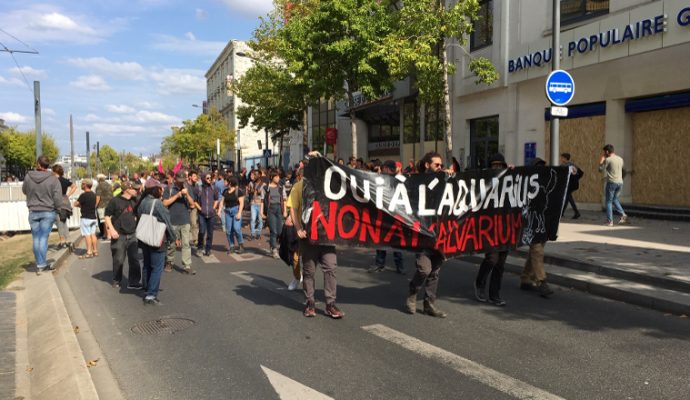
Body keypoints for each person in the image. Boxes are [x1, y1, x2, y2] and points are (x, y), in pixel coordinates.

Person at [290, 154, 344, 319]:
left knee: (330, 268)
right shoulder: (299, 186)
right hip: (308, 238)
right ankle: (310, 303)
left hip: (327, 237)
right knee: (309, 271)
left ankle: (330, 304)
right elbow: (292, 207)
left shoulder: (330, 186)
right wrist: (298, 228)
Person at [406, 152, 447, 318]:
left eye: (441, 165)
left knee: (435, 270)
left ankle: (429, 303)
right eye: (437, 165)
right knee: (424, 269)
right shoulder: (415, 181)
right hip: (422, 233)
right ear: (427, 165)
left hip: (439, 233)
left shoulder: (444, 181)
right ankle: (412, 292)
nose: (440, 168)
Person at [474, 153, 510, 307]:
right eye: (494, 165)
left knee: (500, 264)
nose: (497, 168)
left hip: (506, 227)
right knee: (491, 259)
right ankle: (480, 283)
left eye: (500, 165)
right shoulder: (484, 181)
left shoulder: (509, 180)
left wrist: (514, 172)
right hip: (489, 227)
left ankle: (495, 294)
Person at [519, 158, 554, 298]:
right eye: (538, 167)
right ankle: (541, 281)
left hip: (542, 224)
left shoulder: (544, 185)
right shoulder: (525, 185)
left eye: (542, 167)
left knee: (535, 251)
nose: (540, 170)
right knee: (537, 249)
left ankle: (526, 278)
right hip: (530, 224)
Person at [137, 178, 176, 305]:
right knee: (157, 267)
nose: (163, 189)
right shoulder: (157, 204)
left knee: (147, 265)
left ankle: (147, 288)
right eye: (160, 188)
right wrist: (173, 238)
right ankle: (151, 294)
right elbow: (167, 222)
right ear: (155, 190)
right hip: (156, 238)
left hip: (144, 238)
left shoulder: (142, 202)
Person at [22, 155, 62, 274]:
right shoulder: (54, 179)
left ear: (38, 164)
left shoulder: (28, 176)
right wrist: (58, 208)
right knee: (43, 237)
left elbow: (24, 190)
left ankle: (40, 263)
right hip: (48, 210)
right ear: (47, 165)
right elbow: (57, 197)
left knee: (36, 238)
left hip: (33, 210)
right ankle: (41, 264)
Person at [104, 181, 142, 289]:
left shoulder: (136, 200)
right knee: (118, 259)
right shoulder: (115, 201)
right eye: (134, 189)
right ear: (127, 189)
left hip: (132, 234)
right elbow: (106, 216)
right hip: (119, 235)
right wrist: (111, 230)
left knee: (134, 259)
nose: (137, 190)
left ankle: (133, 282)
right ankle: (116, 279)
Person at [369, 160, 404, 274]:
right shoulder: (397, 180)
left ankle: (384, 264)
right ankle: (395, 266)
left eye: (383, 168)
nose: (381, 170)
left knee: (392, 241)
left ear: (388, 169)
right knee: (384, 240)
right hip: (387, 215)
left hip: (394, 216)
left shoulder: (399, 180)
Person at [162, 171, 196, 275]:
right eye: (179, 181)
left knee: (186, 244)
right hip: (172, 220)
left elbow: (192, 204)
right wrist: (177, 195)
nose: (181, 183)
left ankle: (187, 265)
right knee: (171, 244)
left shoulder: (188, 188)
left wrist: (187, 195)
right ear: (175, 179)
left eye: (183, 181)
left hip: (185, 220)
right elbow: (164, 203)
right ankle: (169, 262)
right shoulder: (169, 189)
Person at [599, 144, 628, 226]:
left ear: (607, 152)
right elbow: (624, 171)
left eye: (604, 152)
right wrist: (619, 178)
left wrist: (601, 161)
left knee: (608, 202)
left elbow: (600, 170)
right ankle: (623, 215)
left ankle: (609, 221)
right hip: (620, 182)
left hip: (612, 183)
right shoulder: (620, 159)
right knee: (615, 199)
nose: (604, 154)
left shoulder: (608, 159)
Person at [217, 176, 245, 254]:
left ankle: (241, 244)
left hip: (236, 210)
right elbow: (222, 202)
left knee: (237, 229)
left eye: (226, 181)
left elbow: (242, 203)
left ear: (230, 182)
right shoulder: (225, 191)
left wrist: (239, 213)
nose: (224, 183)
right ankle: (231, 246)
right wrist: (219, 210)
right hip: (228, 212)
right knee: (229, 231)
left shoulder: (238, 191)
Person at [52, 164, 76, 250]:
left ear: (55, 172)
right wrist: (68, 195)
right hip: (66, 202)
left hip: (58, 202)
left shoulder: (54, 181)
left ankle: (62, 241)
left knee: (59, 222)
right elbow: (74, 186)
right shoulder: (65, 180)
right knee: (64, 221)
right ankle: (68, 240)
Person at [195, 172, 219, 256]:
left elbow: (216, 199)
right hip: (202, 214)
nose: (210, 180)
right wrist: (200, 209)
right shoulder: (199, 189)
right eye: (208, 178)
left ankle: (208, 249)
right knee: (201, 231)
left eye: (210, 178)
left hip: (211, 214)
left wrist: (214, 208)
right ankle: (200, 247)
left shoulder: (214, 188)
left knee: (210, 233)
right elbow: (195, 201)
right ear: (203, 179)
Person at [264, 171, 287, 259]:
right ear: (272, 177)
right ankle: (274, 249)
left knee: (280, 230)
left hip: (279, 209)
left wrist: (285, 211)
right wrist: (262, 212)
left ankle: (272, 243)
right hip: (271, 210)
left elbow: (284, 199)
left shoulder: (281, 187)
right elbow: (263, 200)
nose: (278, 179)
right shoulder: (267, 188)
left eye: (279, 177)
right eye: (276, 177)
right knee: (273, 230)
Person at [74, 179, 99, 258]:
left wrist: (80, 205)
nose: (81, 185)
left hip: (85, 218)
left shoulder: (83, 195)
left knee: (87, 235)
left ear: (85, 185)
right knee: (93, 234)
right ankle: (95, 250)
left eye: (82, 184)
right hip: (93, 217)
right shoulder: (94, 194)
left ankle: (89, 251)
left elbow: (76, 204)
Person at [560, 153, 582, 219]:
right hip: (573, 184)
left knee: (569, 197)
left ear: (565, 158)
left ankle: (577, 212)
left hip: (568, 184)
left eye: (562, 158)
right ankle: (562, 213)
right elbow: (580, 173)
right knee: (567, 198)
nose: (561, 159)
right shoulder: (573, 165)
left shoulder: (564, 166)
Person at [247, 171, 265, 241]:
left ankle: (258, 233)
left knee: (260, 220)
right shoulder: (251, 183)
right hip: (253, 203)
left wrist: (260, 192)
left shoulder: (263, 184)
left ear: (260, 175)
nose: (254, 176)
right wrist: (249, 190)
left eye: (256, 175)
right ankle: (252, 234)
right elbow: (248, 191)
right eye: (254, 175)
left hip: (260, 204)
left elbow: (264, 195)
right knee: (253, 219)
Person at [95, 174, 113, 240]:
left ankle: (108, 235)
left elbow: (98, 197)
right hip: (110, 205)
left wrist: (95, 206)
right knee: (109, 220)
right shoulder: (109, 185)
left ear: (98, 179)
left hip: (102, 205)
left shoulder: (99, 186)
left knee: (105, 221)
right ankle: (106, 234)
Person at [187, 170, 200, 247]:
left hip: (194, 207)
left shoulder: (196, 185)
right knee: (186, 224)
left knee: (194, 223)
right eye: (194, 176)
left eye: (196, 176)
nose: (196, 178)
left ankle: (195, 239)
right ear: (190, 177)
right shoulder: (185, 185)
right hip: (186, 207)